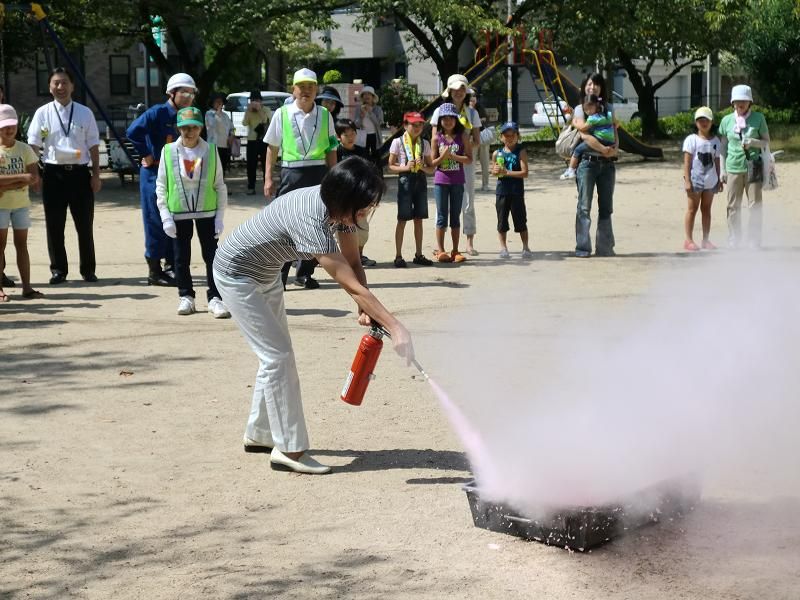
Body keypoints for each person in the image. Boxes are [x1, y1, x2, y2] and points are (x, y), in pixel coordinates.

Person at [212, 157, 413, 474]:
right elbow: (347, 282)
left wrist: (365, 308)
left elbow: (354, 264)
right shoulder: (310, 216)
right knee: (277, 356)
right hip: (236, 275)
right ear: (344, 199)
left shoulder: (338, 211)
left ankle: (260, 434)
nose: (364, 216)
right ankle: (289, 451)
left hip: (265, 275)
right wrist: (396, 326)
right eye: (361, 209)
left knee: (276, 354)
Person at [263, 68, 338, 290]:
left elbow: (332, 147)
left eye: (310, 87)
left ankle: (305, 272)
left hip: (318, 172)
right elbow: (272, 147)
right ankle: (280, 274)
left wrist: (334, 176)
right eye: (301, 86)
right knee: (285, 224)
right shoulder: (282, 113)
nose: (306, 91)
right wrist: (268, 177)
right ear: (293, 89)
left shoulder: (325, 115)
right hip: (291, 172)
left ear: (316, 90)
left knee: (317, 223)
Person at [27, 67, 101, 284]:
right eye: (56, 83)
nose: (60, 87)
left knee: (84, 225)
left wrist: (96, 175)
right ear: (50, 87)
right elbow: (33, 145)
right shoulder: (43, 113)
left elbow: (94, 146)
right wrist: (36, 174)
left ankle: (88, 270)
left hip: (79, 175)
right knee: (54, 225)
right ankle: (58, 270)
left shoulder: (84, 113)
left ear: (73, 86)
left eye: (64, 82)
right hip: (53, 175)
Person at [156, 106, 229, 318]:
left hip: (207, 212)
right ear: (178, 128)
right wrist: (165, 216)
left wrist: (220, 217)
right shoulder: (168, 151)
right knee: (180, 258)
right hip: (179, 213)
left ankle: (215, 298)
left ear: (201, 128)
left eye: (194, 127)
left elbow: (219, 185)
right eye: (184, 127)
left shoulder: (211, 150)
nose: (189, 132)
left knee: (212, 256)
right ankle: (186, 296)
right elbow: (161, 185)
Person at [127, 72, 198, 286]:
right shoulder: (157, 112)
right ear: (172, 93)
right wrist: (145, 154)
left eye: (191, 93)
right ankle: (154, 271)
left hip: (178, 174)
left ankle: (172, 265)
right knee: (155, 221)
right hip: (154, 173)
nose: (188, 96)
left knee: (175, 219)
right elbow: (132, 131)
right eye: (183, 92)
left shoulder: (189, 115)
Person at [431, 74, 482, 255]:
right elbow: (434, 139)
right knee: (441, 205)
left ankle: (468, 241)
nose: (459, 92)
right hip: (443, 165)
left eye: (462, 89)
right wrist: (444, 154)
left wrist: (461, 148)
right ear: (449, 91)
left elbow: (476, 139)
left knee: (468, 200)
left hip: (465, 161)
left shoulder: (472, 113)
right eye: (456, 89)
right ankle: (441, 246)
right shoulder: (439, 112)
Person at [571, 73, 619, 258]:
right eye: (590, 84)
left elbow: (615, 131)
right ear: (584, 86)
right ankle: (583, 247)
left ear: (601, 88)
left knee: (606, 207)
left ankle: (605, 247)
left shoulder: (609, 108)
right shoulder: (580, 109)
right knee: (584, 206)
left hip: (608, 165)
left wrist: (614, 149)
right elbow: (584, 135)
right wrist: (603, 148)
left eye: (596, 84)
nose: (592, 87)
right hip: (587, 164)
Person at [0, 104, 43, 301]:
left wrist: (7, 184)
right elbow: (26, 176)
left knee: (22, 245)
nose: (9, 130)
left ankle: (27, 286)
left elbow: (34, 177)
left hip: (20, 205)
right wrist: (21, 179)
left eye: (12, 125)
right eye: (4, 126)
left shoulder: (24, 149)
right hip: (1, 206)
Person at [719, 84, 770, 248]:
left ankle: (754, 240)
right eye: (737, 101)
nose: (740, 104)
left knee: (755, 205)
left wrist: (753, 142)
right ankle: (734, 238)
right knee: (732, 206)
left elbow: (766, 142)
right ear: (732, 102)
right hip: (733, 167)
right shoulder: (726, 120)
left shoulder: (759, 118)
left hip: (753, 165)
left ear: (750, 102)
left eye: (744, 101)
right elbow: (722, 147)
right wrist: (722, 170)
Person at [387, 111, 434, 268]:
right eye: (413, 124)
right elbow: (390, 166)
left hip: (420, 180)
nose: (417, 127)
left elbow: (431, 168)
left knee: (419, 219)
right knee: (402, 219)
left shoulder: (425, 143)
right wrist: (405, 166)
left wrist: (424, 168)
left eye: (420, 124)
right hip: (405, 180)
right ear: (405, 125)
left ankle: (419, 254)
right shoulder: (397, 142)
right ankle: (398, 256)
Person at [431, 102, 472, 263]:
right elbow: (433, 162)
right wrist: (443, 157)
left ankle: (455, 250)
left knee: (455, 216)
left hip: (457, 181)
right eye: (444, 118)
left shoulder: (463, 137)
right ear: (440, 120)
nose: (448, 121)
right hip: (441, 181)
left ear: (456, 120)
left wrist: (453, 156)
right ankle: (440, 250)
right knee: (441, 216)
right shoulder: (436, 138)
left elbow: (469, 159)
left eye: (451, 118)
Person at [335, 118, 376, 267]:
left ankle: (359, 255)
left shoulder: (361, 151)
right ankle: (344, 257)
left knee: (362, 229)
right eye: (346, 134)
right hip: (342, 198)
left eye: (353, 133)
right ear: (339, 136)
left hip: (360, 196)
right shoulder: (336, 152)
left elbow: (369, 173)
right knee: (342, 229)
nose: (351, 137)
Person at [682, 106, 722, 251]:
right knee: (692, 209)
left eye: (706, 120)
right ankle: (688, 239)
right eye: (700, 120)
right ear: (696, 122)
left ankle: (705, 239)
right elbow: (687, 162)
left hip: (710, 180)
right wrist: (687, 180)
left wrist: (719, 178)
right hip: (695, 180)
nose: (704, 123)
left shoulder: (716, 141)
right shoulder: (691, 140)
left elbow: (717, 161)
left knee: (706, 209)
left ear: (712, 122)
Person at [491, 122, 531, 259]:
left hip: (516, 191)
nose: (509, 138)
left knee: (520, 220)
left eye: (512, 135)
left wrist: (506, 172)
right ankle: (503, 247)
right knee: (502, 221)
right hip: (501, 191)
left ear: (517, 136)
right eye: (506, 135)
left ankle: (525, 247)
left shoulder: (521, 151)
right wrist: (496, 171)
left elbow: (525, 173)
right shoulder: (497, 153)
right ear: (501, 137)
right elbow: (494, 171)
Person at [560, 94, 615, 180]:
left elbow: (582, 128)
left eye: (589, 109)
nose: (588, 112)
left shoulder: (593, 118)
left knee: (577, 150)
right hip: (611, 141)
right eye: (585, 110)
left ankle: (570, 170)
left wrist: (574, 122)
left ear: (596, 106)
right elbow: (616, 123)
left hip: (600, 140)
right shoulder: (607, 114)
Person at [242, 91, 271, 195]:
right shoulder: (249, 110)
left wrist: (259, 110)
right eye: (252, 100)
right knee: (251, 165)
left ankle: (266, 186)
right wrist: (248, 112)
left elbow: (266, 120)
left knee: (265, 163)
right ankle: (251, 187)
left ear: (261, 101)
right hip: (252, 140)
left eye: (256, 100)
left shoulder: (266, 109)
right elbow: (244, 123)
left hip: (263, 140)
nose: (254, 102)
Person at [204, 93, 234, 174]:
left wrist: (231, 135)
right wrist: (217, 112)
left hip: (224, 145)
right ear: (213, 103)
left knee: (222, 168)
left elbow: (232, 128)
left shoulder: (225, 116)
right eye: (217, 102)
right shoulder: (209, 114)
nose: (219, 103)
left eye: (221, 102)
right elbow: (210, 125)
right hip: (213, 145)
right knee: (214, 169)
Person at [353, 85, 383, 164]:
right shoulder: (358, 108)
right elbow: (356, 125)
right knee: (363, 157)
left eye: (369, 94)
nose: (367, 96)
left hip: (374, 135)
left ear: (373, 97)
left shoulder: (378, 109)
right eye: (365, 94)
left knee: (376, 157)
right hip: (362, 136)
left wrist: (370, 112)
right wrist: (361, 116)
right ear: (362, 97)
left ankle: (378, 175)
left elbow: (379, 123)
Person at [469, 91, 491, 192]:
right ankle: (470, 185)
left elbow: (486, 118)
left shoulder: (479, 107)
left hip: (482, 137)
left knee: (485, 162)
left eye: (474, 96)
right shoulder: (465, 109)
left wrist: (479, 120)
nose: (473, 99)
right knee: (471, 162)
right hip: (471, 139)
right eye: (471, 97)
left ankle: (485, 184)